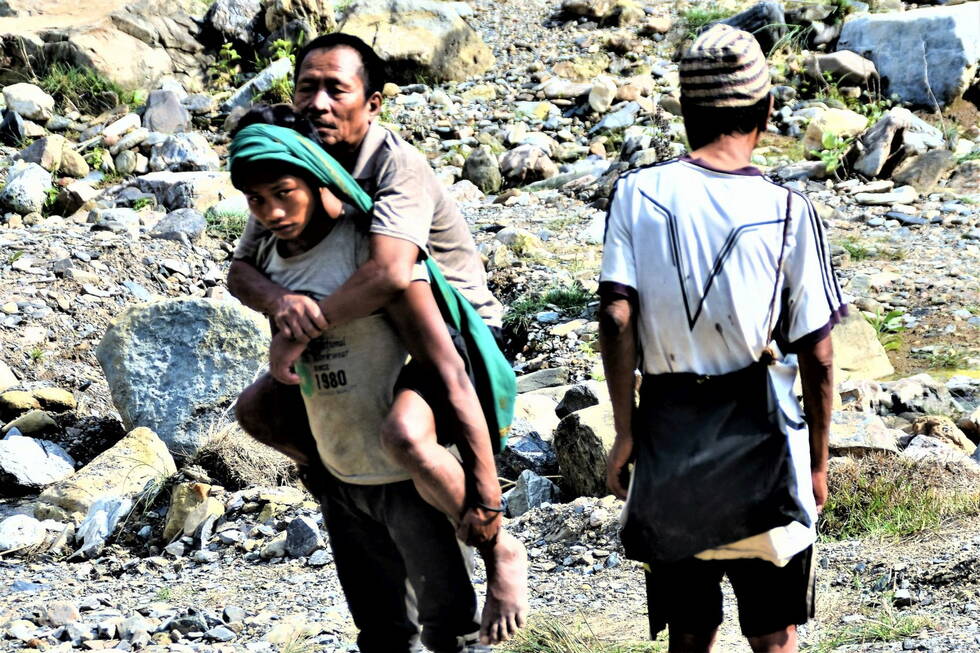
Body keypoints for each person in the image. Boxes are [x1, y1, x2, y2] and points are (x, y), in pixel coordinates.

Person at [226, 34, 527, 646]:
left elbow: (391, 272)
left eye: (337, 88)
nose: (319, 101)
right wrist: (282, 303)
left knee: (405, 436)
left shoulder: (395, 165)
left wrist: (299, 328)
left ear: (374, 101)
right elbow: (243, 268)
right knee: (259, 409)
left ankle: (497, 543)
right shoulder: (290, 166)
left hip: (454, 321)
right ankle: (337, 478)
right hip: (359, 326)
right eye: (307, 86)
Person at [598, 25, 844, 653]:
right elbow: (817, 352)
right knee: (773, 633)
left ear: (684, 111)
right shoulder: (789, 210)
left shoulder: (635, 194)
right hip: (763, 447)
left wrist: (625, 433)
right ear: (767, 110)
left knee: (689, 632)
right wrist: (816, 462)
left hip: (671, 441)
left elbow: (618, 319)